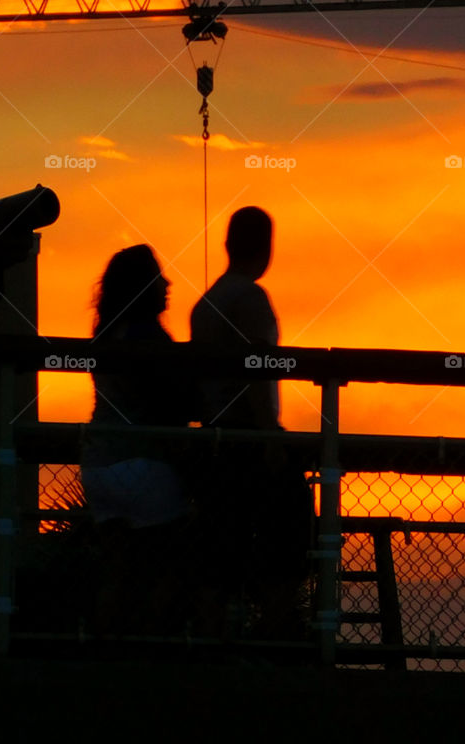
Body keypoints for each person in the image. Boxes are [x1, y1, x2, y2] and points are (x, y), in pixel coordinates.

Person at [189, 206, 312, 637]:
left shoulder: (206, 303)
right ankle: (276, 632)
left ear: (227, 245)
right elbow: (257, 369)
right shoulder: (249, 299)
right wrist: (270, 439)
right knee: (292, 538)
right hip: (249, 438)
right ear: (267, 248)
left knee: (221, 549)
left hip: (216, 439)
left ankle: (213, 644)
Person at [80, 245, 194, 634]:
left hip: (99, 464)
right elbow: (172, 401)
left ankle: (105, 657)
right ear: (143, 286)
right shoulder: (148, 336)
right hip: (145, 465)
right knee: (170, 568)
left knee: (117, 574)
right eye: (158, 277)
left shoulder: (107, 333)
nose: (167, 284)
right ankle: (153, 656)